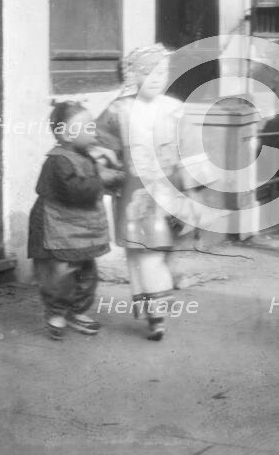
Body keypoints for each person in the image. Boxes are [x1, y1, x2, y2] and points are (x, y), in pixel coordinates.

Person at [96, 44, 214, 341]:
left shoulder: (176, 109)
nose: (155, 78)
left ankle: (156, 307)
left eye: (161, 72)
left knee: (162, 250)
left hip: (172, 188)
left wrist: (194, 193)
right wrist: (106, 167)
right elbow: (101, 146)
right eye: (147, 72)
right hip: (136, 191)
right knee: (142, 253)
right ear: (133, 75)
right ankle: (155, 312)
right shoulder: (118, 110)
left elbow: (192, 151)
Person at [28, 101, 124, 340]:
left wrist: (108, 167)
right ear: (64, 134)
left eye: (93, 125)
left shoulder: (83, 154)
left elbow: (95, 174)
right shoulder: (58, 161)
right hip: (57, 230)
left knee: (86, 272)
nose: (93, 130)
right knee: (59, 274)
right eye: (86, 126)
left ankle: (78, 311)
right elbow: (76, 191)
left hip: (79, 230)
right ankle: (57, 313)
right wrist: (103, 177)